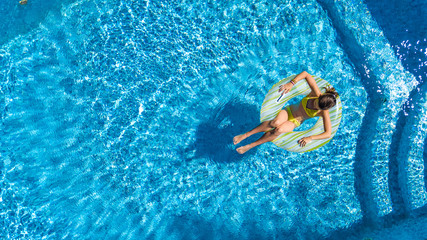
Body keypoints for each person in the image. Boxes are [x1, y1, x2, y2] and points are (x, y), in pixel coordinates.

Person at [233, 71, 339, 154]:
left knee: (279, 129)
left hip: (294, 122)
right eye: (317, 102)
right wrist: (291, 83)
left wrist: (310, 138)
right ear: (320, 97)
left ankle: (250, 146)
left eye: (318, 107)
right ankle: (245, 135)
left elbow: (327, 133)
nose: (315, 105)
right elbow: (306, 74)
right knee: (275, 123)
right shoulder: (316, 93)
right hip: (288, 112)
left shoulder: (324, 113)